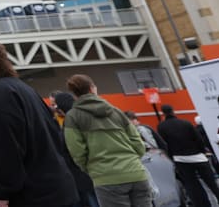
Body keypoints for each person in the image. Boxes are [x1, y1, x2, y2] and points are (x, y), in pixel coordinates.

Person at [0, 33, 76, 206]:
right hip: (53, 190)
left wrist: (1, 197)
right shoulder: (23, 89)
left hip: (30, 197)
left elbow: (5, 149)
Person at [61, 74, 153, 207]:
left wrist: (91, 169)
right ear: (92, 88)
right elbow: (137, 141)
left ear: (74, 93)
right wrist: (134, 159)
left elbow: (77, 151)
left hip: (105, 177)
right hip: (136, 173)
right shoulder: (116, 111)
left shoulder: (72, 117)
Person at [156, 104, 219, 207]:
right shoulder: (186, 123)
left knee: (193, 185)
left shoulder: (161, 127)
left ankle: (203, 204)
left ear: (163, 113)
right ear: (173, 111)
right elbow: (198, 139)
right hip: (198, 157)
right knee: (211, 183)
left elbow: (164, 144)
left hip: (180, 159)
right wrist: (202, 151)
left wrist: (172, 157)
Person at [50, 92, 99, 207]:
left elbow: (76, 152)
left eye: (54, 105)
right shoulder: (87, 119)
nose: (54, 109)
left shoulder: (70, 124)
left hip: (83, 177)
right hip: (94, 175)